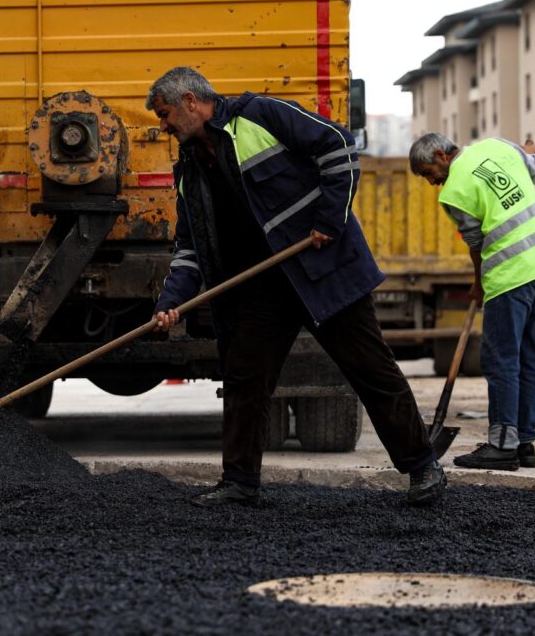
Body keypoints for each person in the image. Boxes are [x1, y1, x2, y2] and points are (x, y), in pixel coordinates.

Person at [147, 67, 445, 507]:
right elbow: (189, 247)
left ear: (191, 101)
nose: (163, 126)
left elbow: (339, 145)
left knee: (370, 368)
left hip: (321, 269)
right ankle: (240, 483)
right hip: (262, 287)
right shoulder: (189, 170)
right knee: (244, 377)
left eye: (165, 114)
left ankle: (422, 466)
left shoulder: (260, 115)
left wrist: (329, 219)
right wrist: (171, 301)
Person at [409, 132, 535, 471]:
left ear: (441, 155)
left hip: (511, 277)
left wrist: (478, 283)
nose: (431, 182)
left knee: (500, 361)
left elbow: (476, 244)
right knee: (527, 359)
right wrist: (526, 156)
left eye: (428, 173)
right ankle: (524, 443)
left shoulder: (454, 192)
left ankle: (503, 446)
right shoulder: (498, 147)